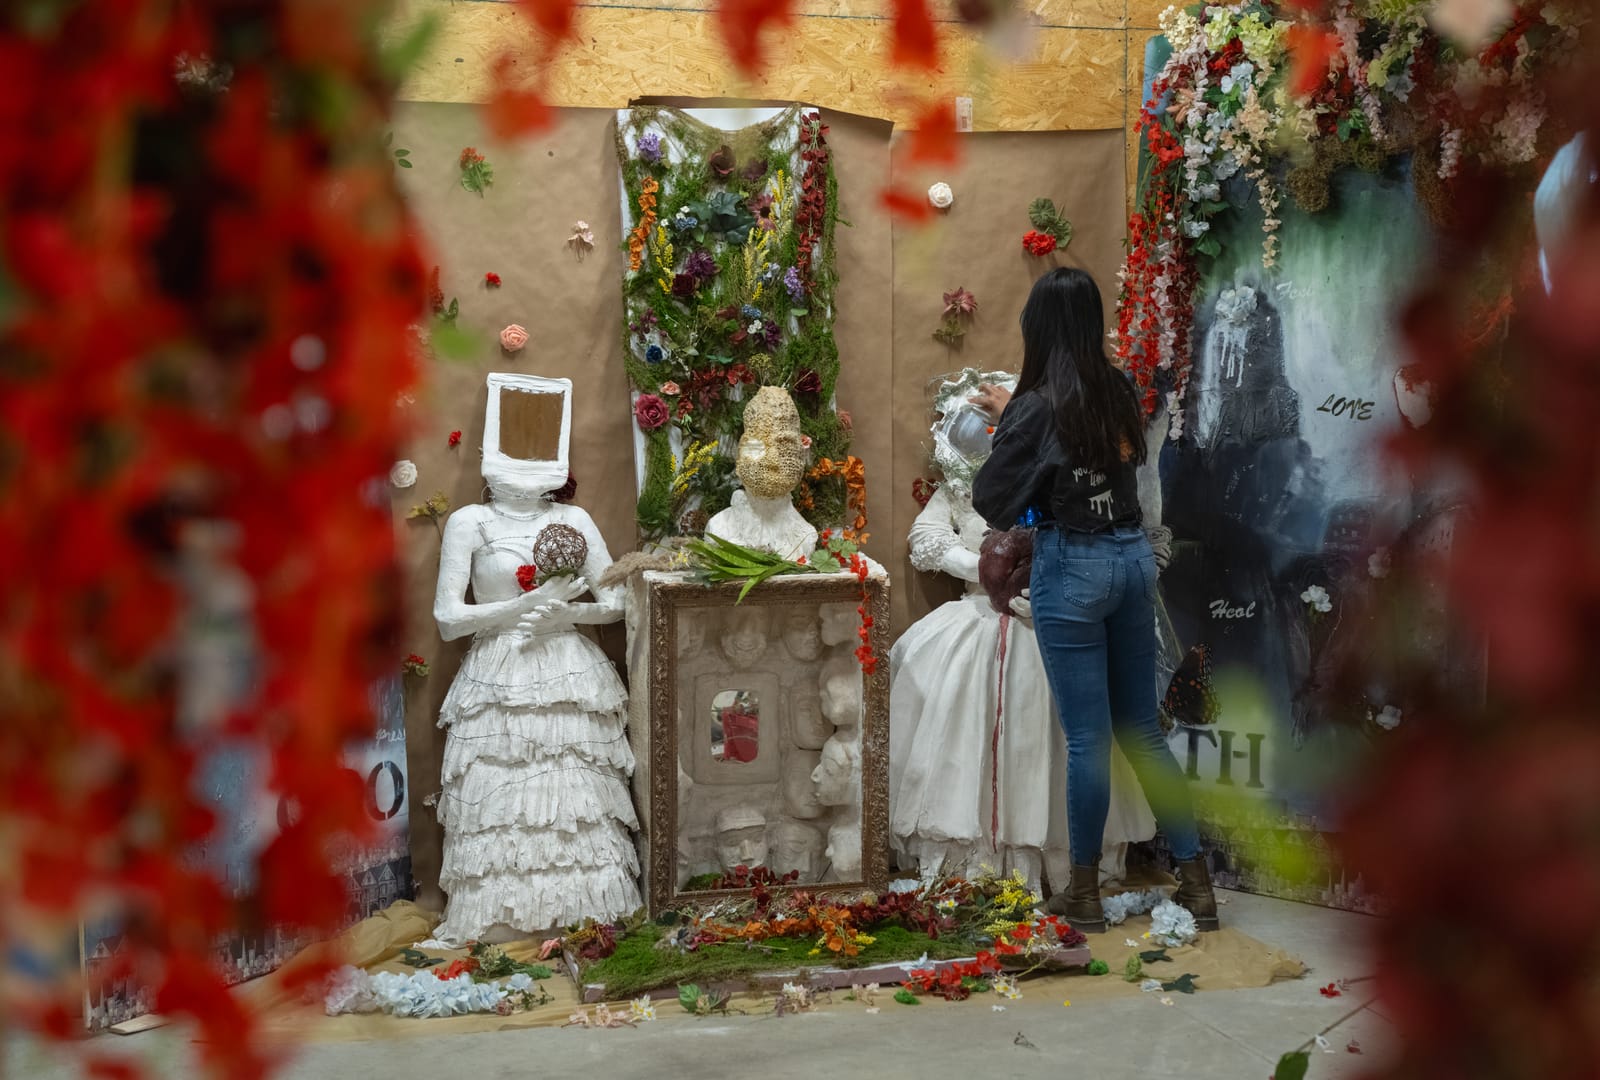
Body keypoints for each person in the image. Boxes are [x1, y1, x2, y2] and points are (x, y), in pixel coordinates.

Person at [971, 267, 1218, 934]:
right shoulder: (1118, 389)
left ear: (1037, 326)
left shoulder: (1035, 403)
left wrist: (1008, 427)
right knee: (1141, 730)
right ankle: (1198, 884)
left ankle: (1082, 894)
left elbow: (992, 501)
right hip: (1133, 562)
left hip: (1074, 571)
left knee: (1087, 740)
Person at [889, 369, 1155, 895]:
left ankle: (1061, 858)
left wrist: (1044, 579)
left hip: (1054, 619)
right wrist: (982, 567)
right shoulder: (963, 487)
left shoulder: (1053, 480)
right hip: (977, 620)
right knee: (947, 700)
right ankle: (975, 856)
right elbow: (926, 535)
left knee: (1057, 728)